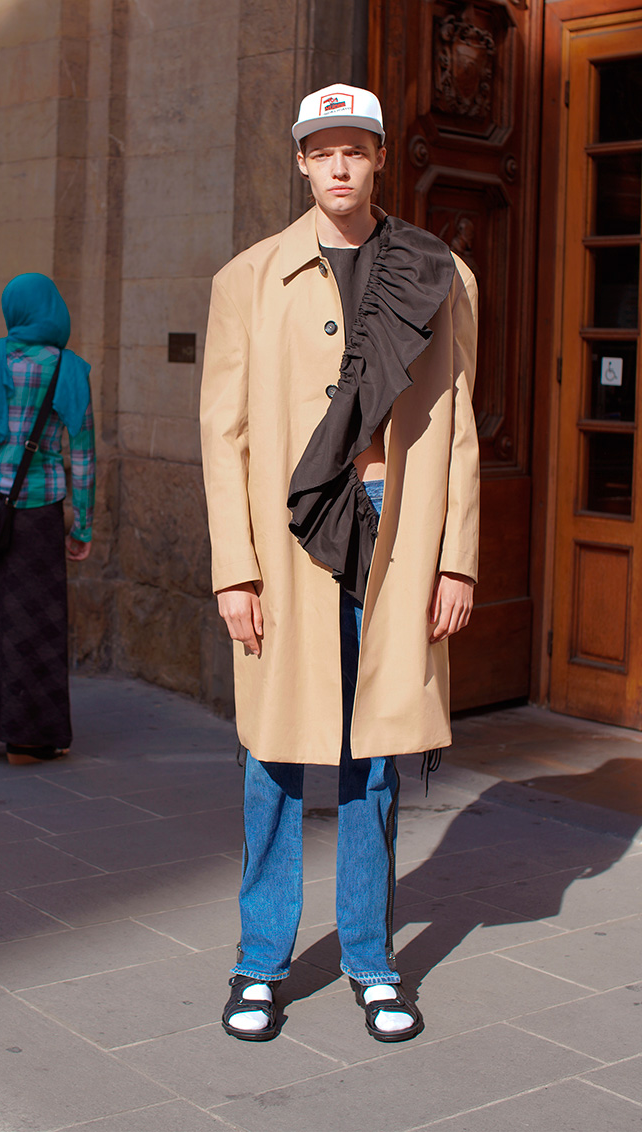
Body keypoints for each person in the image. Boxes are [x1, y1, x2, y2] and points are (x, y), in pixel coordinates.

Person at [200, 84, 479, 1042]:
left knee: (377, 750)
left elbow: (460, 424)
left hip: (397, 525)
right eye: (323, 151)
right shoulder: (247, 279)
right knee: (274, 750)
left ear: (380, 158)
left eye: (356, 148)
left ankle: (370, 960)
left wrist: (457, 561)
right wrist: (234, 570)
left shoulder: (440, 272)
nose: (340, 166)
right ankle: (259, 963)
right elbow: (223, 435)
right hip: (287, 540)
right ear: (301, 162)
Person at [0, 273, 95, 766]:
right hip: (38, 514)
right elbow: (83, 456)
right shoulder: (69, 368)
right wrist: (83, 524)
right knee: (37, 623)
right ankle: (30, 740)